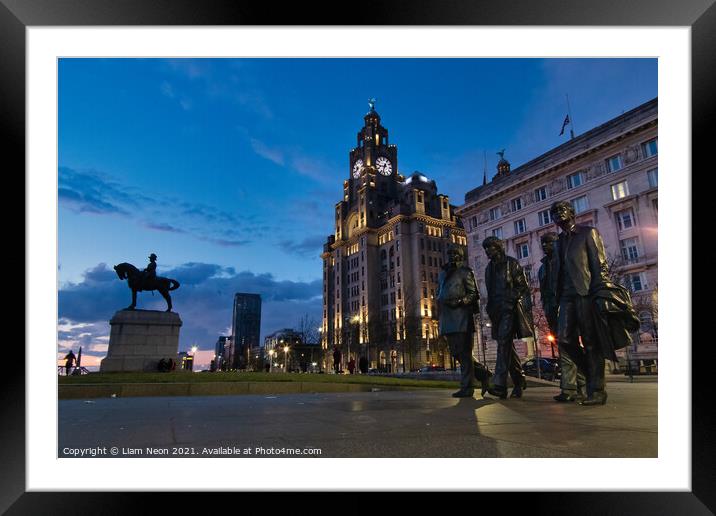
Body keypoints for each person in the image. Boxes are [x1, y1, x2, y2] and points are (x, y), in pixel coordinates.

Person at [550, 201, 638, 406]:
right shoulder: (558, 241)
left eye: (561, 210)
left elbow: (600, 264)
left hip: (586, 292)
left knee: (591, 341)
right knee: (564, 339)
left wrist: (600, 292)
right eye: (553, 212)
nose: (557, 214)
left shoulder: (588, 233)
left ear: (571, 213)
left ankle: (597, 391)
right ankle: (592, 375)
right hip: (566, 295)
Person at [538, 232, 586, 402]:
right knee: (567, 347)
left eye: (549, 242)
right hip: (551, 310)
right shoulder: (543, 268)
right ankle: (582, 384)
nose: (545, 246)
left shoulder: (564, 261)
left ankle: (569, 387)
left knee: (568, 346)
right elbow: (544, 291)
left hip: (567, 307)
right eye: (543, 243)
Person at [482, 236, 531, 399]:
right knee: (507, 347)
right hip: (496, 312)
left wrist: (511, 298)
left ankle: (500, 385)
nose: (488, 251)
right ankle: (519, 381)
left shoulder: (512, 263)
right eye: (486, 248)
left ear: (498, 247)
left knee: (503, 344)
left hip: (509, 310)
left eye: (490, 247)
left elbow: (523, 286)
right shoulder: (489, 269)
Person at [436, 243, 480, 398]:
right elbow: (439, 291)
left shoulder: (465, 272)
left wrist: (461, 302)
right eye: (450, 254)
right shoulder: (443, 273)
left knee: (464, 352)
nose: (451, 256)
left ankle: (467, 386)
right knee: (455, 352)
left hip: (462, 317)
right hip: (447, 317)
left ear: (460, 256)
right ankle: (484, 374)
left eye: (455, 254)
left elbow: (473, 293)